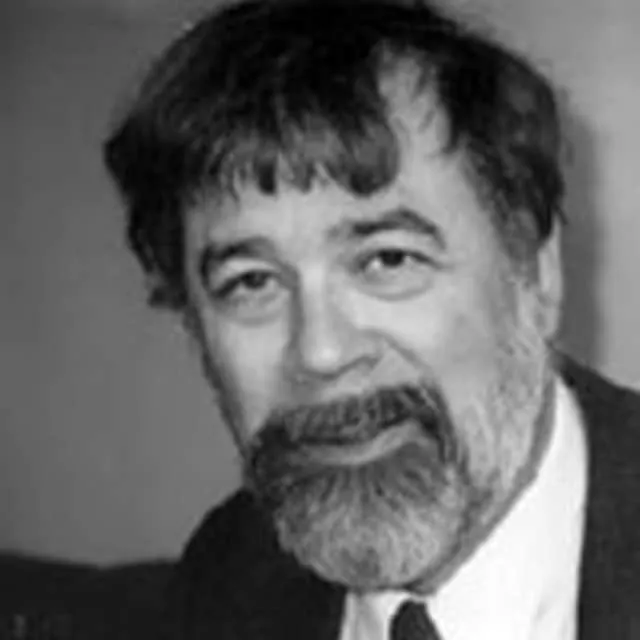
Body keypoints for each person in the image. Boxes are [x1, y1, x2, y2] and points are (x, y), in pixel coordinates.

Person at [103, 0, 640, 637]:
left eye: (387, 259)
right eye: (252, 282)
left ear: (535, 272)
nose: (321, 353)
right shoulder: (231, 570)